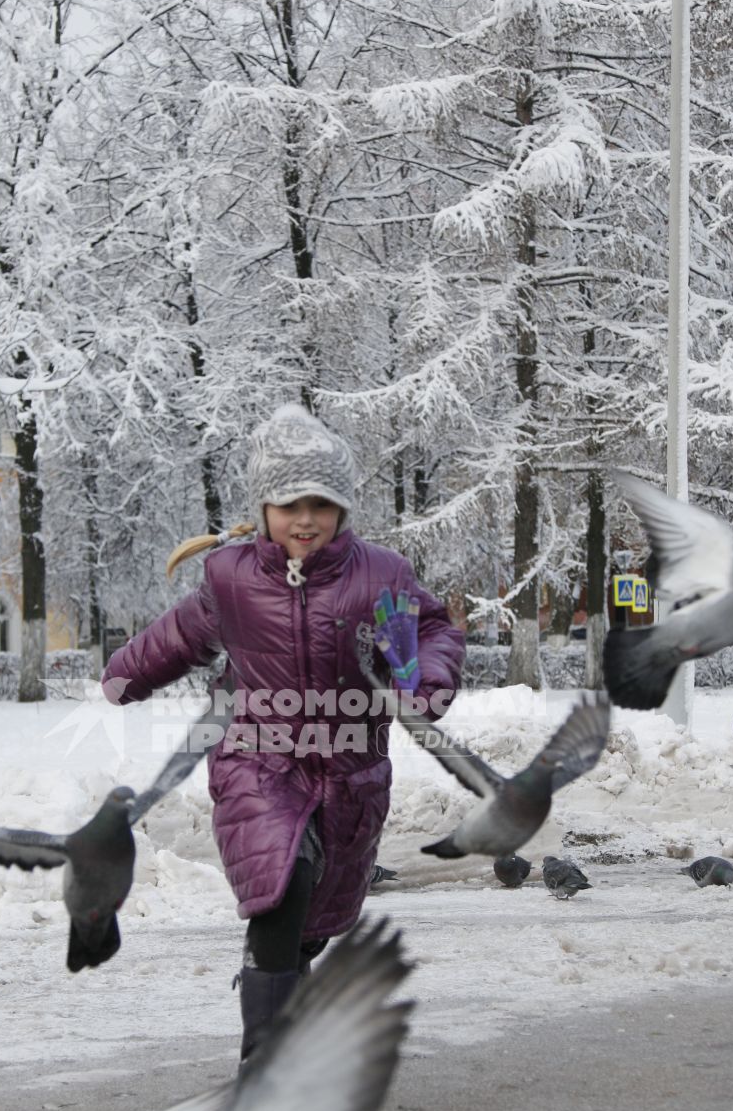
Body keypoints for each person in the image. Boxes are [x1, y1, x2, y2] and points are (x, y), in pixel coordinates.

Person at [102, 403, 464, 1062]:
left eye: (321, 504)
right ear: (263, 507)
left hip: (351, 772)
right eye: (290, 503)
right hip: (257, 761)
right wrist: (127, 674)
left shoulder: (379, 575)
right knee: (279, 884)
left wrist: (424, 676)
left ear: (343, 509)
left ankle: (286, 1024)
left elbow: (428, 629)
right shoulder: (232, 578)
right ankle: (263, 1066)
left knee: (307, 927)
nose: (305, 519)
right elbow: (182, 634)